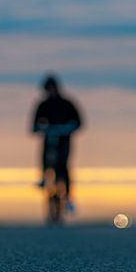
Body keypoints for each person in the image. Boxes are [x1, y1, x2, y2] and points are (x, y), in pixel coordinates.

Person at [30, 72, 83, 213]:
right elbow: (33, 125)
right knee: (44, 158)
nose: (50, 91)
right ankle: (43, 177)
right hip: (49, 140)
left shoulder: (67, 104)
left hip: (64, 141)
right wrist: (40, 128)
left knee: (63, 165)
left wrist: (68, 128)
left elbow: (79, 122)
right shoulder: (43, 105)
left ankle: (68, 197)